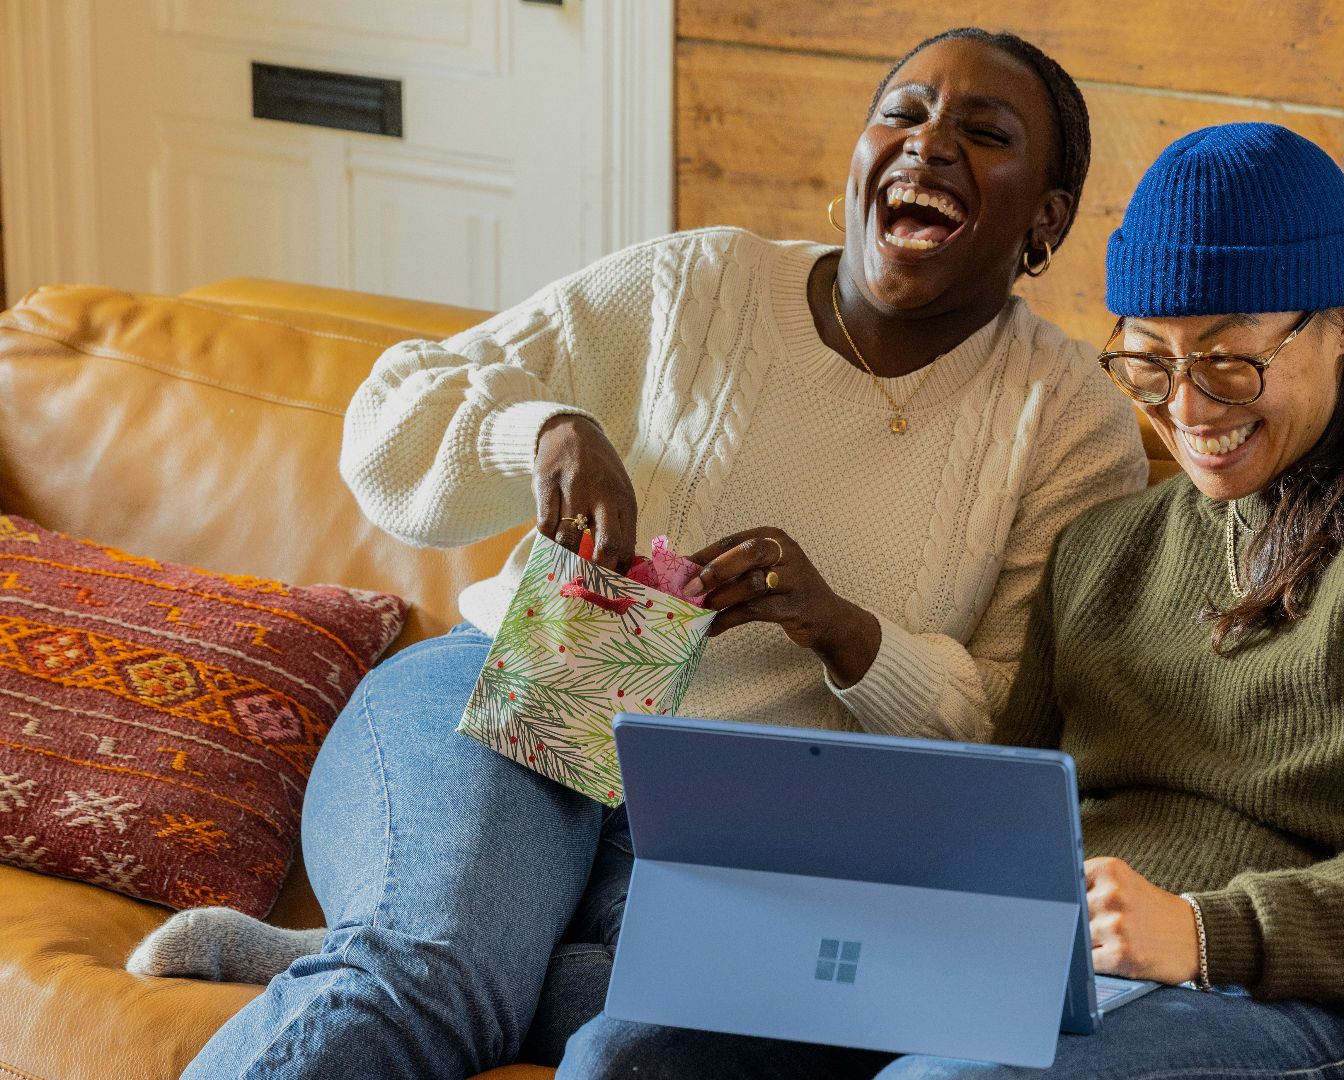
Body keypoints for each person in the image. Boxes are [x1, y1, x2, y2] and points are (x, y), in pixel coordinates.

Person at [135, 28, 1148, 1080]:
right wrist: (542, 431)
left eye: (983, 134)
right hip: (521, 698)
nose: (929, 145)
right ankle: (411, 951)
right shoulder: (699, 285)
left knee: (644, 1029)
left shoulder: (1069, 418)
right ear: (858, 159)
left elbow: (1012, 724)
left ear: (1047, 215)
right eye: (902, 114)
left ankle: (402, 945)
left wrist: (848, 636)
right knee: (425, 983)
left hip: (741, 827)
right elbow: (389, 418)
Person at [562, 124, 1344, 1079]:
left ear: (1340, 326)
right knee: (630, 1049)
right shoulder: (1103, 548)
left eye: (1229, 362)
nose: (1187, 412)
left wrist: (1208, 930)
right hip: (1035, 961)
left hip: (1288, 994)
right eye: (1149, 361)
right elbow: (1002, 807)